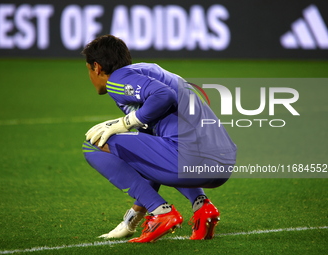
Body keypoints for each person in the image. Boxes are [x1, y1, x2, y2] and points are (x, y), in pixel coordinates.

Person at [81, 34, 237, 243]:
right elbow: (150, 159)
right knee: (163, 148)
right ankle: (202, 207)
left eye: (88, 70)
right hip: (222, 164)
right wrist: (133, 218)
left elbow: (163, 95)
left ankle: (162, 214)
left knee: (94, 144)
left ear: (97, 67)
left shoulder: (117, 81)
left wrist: (125, 123)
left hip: (192, 161)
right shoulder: (150, 71)